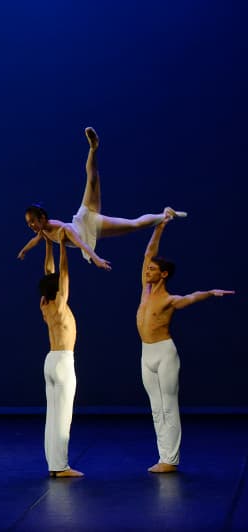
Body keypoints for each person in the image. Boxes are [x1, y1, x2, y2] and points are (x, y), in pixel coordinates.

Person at [137, 217, 234, 473]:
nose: (147, 271)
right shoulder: (145, 291)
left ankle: (171, 459)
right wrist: (160, 225)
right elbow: (149, 252)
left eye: (152, 270)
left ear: (163, 274)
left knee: (168, 405)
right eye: (147, 269)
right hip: (146, 353)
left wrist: (210, 293)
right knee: (156, 408)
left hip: (164, 352)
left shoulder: (169, 299)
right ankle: (163, 457)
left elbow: (190, 298)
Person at [18, 127, 185, 271]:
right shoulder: (44, 232)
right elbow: (35, 240)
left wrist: (96, 258)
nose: (31, 225)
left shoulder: (59, 229)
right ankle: (165, 214)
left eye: (33, 221)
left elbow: (81, 243)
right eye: (28, 223)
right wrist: (25, 250)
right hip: (82, 216)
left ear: (42, 218)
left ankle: (93, 148)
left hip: (90, 225)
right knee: (92, 179)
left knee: (134, 224)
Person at [38, 238, 84, 478]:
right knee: (63, 417)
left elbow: (50, 273)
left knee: (52, 416)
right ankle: (61, 466)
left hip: (50, 361)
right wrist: (63, 246)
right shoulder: (60, 305)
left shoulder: (45, 305)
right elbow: (62, 274)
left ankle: (53, 465)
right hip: (64, 362)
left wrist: (48, 244)